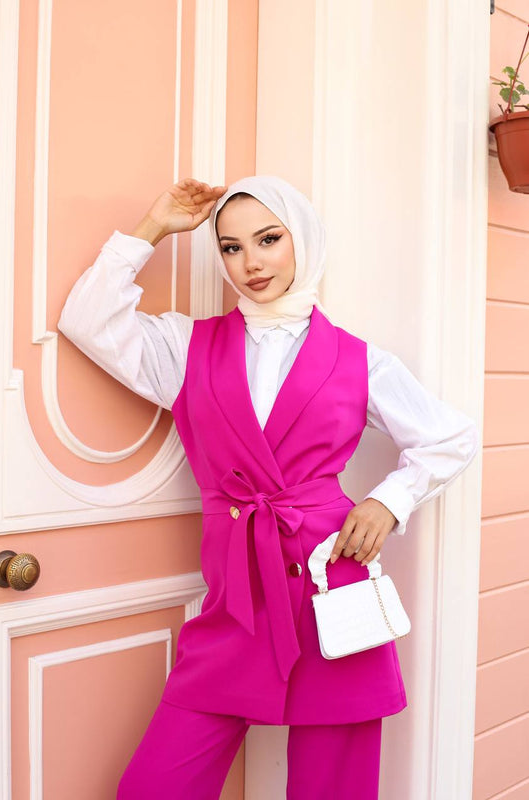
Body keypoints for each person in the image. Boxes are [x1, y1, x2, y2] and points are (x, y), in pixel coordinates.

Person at [57, 175, 479, 799]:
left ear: (301, 240)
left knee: (333, 791)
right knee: (154, 787)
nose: (250, 262)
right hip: (236, 598)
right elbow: (87, 320)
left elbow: (450, 437)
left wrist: (389, 501)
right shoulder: (184, 346)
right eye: (230, 247)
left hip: (332, 587)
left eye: (268, 239)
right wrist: (152, 227)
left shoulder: (360, 359)